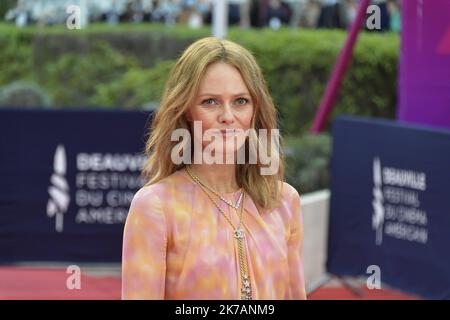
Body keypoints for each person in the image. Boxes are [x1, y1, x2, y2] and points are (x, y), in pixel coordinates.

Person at [121, 37, 307, 300]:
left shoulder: (285, 201)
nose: (228, 116)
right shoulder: (156, 207)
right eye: (210, 102)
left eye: (241, 101)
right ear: (186, 110)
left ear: (256, 108)